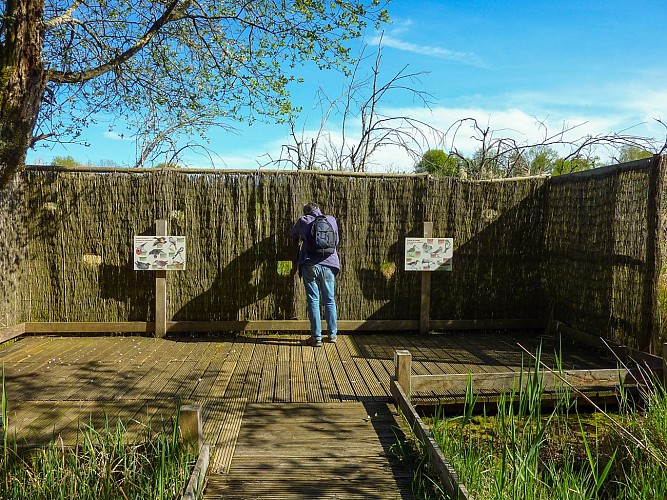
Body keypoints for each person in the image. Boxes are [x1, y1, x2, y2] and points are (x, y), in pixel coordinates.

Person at [290, 202, 340, 347]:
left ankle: (316, 337)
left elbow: (292, 234)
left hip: (310, 263)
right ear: (319, 209)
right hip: (330, 263)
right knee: (329, 299)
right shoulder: (331, 219)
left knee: (313, 300)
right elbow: (335, 241)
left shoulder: (303, 220)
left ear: (306, 211)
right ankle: (332, 335)